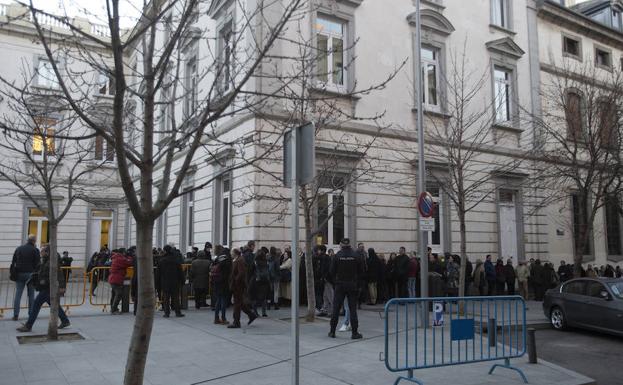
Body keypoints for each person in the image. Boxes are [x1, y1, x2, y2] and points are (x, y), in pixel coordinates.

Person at [16, 245, 70, 332]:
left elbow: (59, 274)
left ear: (47, 252)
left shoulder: (52, 262)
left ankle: (28, 326)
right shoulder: (46, 260)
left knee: (36, 305)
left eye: (43, 251)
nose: (41, 252)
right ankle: (65, 320)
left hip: (48, 288)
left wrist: (62, 286)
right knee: (54, 304)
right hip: (46, 287)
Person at [328, 238, 365, 340]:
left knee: (336, 309)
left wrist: (335, 283)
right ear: (350, 245)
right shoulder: (356, 256)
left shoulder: (337, 256)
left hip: (340, 285)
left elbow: (331, 272)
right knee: (352, 309)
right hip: (352, 285)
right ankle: (354, 332)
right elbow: (362, 272)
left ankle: (332, 331)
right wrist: (358, 285)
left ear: (341, 245)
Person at [10, 234, 40, 321]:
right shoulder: (35, 250)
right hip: (30, 274)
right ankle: (31, 314)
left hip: (19, 273)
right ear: (34, 241)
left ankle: (16, 314)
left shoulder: (19, 248)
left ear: (27, 240)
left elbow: (14, 261)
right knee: (31, 295)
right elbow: (38, 264)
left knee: (18, 294)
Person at [229, 248, 258, 328]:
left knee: (237, 304)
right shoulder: (237, 259)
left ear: (235, 253)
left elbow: (241, 273)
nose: (231, 253)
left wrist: (235, 281)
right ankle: (251, 315)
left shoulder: (240, 260)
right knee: (239, 303)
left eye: (232, 252)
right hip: (237, 285)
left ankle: (236, 322)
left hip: (238, 286)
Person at [158, 245, 185, 318]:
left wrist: (157, 284)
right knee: (176, 297)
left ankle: (167, 313)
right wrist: (182, 280)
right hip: (175, 281)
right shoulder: (176, 260)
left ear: (165, 251)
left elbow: (158, 273)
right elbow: (180, 271)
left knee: (166, 298)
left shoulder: (161, 260)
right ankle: (178, 312)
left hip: (165, 281)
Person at [211, 245, 232, 324]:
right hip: (224, 281)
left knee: (218, 300)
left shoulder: (217, 258)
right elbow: (229, 271)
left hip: (216, 281)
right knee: (223, 300)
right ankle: (223, 318)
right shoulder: (227, 258)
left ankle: (216, 318)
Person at [108, 250, 133, 315]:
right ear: (122, 253)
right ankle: (114, 309)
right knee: (118, 294)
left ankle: (113, 308)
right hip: (116, 279)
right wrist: (130, 257)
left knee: (114, 294)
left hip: (113, 278)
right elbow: (129, 263)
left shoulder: (115, 258)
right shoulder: (120, 259)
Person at [250, 249, 271, 317]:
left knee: (256, 297)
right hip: (265, 280)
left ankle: (255, 311)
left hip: (257, 280)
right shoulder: (266, 261)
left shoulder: (255, 262)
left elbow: (252, 270)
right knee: (264, 297)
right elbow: (268, 270)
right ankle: (264, 312)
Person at [318, 245, 333, 316]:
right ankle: (325, 309)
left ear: (322, 250)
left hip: (327, 279)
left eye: (319, 250)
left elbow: (326, 269)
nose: (318, 251)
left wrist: (324, 277)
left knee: (329, 295)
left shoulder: (325, 258)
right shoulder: (324, 257)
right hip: (325, 279)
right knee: (325, 295)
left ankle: (332, 310)